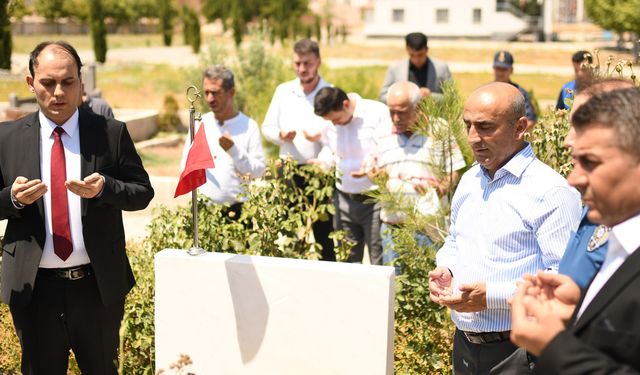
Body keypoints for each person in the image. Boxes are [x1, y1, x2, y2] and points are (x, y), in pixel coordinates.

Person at [0, 41, 154, 374]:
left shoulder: (110, 134)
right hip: (34, 291)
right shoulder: (7, 138)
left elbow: (142, 192)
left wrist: (106, 189)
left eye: (68, 82)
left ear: (81, 83)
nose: (58, 92)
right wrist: (11, 199)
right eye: (47, 83)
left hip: (96, 289)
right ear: (31, 83)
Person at [428, 82, 581, 374]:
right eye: (468, 125)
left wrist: (491, 296)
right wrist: (446, 268)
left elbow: (564, 282)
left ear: (520, 127)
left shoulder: (550, 191)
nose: (473, 138)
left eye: (485, 127)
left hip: (520, 352)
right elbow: (455, 240)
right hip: (464, 346)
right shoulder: (471, 180)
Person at [510, 87, 640, 374]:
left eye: (590, 162)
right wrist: (578, 312)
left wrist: (555, 347)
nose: (573, 178)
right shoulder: (622, 239)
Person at [363, 81, 465, 270]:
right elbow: (371, 168)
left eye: (401, 112)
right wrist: (376, 176)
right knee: (396, 290)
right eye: (391, 111)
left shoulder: (440, 130)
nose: (395, 118)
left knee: (429, 288)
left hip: (429, 228)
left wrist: (441, 188)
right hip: (393, 227)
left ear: (418, 107)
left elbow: (455, 170)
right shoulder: (382, 133)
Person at [262, 38, 334, 260]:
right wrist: (280, 135)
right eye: (297, 63)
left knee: (324, 234)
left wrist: (322, 161)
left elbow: (336, 135)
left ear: (318, 62)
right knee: (288, 231)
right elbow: (267, 127)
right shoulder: (284, 91)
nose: (302, 68)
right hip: (288, 171)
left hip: (318, 173)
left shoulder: (329, 92)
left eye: (307, 63)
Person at [312, 86, 388, 264]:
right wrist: (322, 161)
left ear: (346, 104)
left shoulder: (376, 112)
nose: (334, 124)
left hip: (373, 198)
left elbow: (386, 147)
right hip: (343, 198)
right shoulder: (330, 120)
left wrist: (372, 164)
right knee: (348, 258)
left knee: (378, 257)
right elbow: (329, 148)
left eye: (337, 119)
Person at [180, 65, 266, 216]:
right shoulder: (200, 123)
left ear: (231, 92)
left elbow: (259, 171)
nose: (209, 98)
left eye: (215, 93)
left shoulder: (248, 126)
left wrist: (234, 151)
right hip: (203, 213)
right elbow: (185, 165)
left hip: (237, 213)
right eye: (206, 92)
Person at [379, 32, 452, 103]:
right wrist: (403, 97)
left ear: (427, 50)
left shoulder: (442, 68)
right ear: (407, 49)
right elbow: (382, 96)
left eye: (420, 55)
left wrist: (431, 96)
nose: (416, 60)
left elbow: (452, 98)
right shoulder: (395, 68)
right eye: (412, 55)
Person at [492, 50, 537, 127]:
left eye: (504, 69)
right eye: (498, 68)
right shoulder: (485, 92)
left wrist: (513, 134)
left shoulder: (519, 93)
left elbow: (530, 120)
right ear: (493, 69)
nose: (500, 73)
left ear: (511, 70)